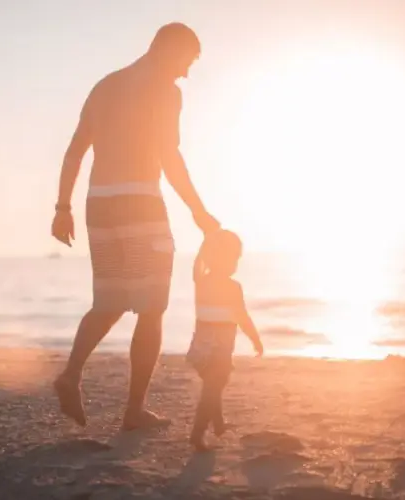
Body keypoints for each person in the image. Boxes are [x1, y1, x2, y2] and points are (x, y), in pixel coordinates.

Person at [50, 22, 220, 431]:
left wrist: (62, 207)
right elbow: (169, 157)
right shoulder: (165, 92)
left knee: (108, 303)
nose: (186, 73)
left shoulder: (105, 86)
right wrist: (198, 210)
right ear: (167, 49)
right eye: (186, 62)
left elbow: (75, 150)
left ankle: (71, 374)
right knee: (152, 307)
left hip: (99, 205)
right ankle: (133, 412)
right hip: (141, 203)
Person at [186, 230, 263, 451]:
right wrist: (255, 339)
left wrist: (205, 242)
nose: (235, 264)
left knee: (214, 385)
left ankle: (218, 425)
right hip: (218, 349)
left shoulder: (201, 281)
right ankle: (197, 433)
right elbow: (242, 316)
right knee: (213, 388)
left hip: (201, 347)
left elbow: (197, 264)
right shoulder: (232, 287)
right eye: (233, 258)